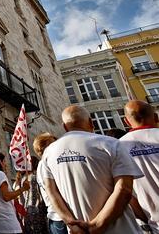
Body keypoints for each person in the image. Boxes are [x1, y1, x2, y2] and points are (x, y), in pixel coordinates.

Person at [40, 105, 143, 234]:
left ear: (64, 126)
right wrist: (98, 225)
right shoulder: (112, 144)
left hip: (78, 231)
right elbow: (124, 189)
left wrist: (71, 224)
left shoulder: (49, 152)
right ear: (91, 122)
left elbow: (51, 191)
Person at [120, 100, 159, 233]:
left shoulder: (118, 147)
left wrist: (146, 220)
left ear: (126, 121)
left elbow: (125, 191)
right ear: (156, 117)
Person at [0, 152, 29, 234]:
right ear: (0, 162)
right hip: (7, 222)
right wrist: (23, 189)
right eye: (4, 161)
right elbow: (6, 196)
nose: (6, 164)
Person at [32, 133, 67, 234]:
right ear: (44, 146)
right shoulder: (45, 163)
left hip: (60, 216)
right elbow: (52, 192)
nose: (57, 144)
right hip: (59, 217)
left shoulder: (45, 163)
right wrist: (68, 219)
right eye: (53, 142)